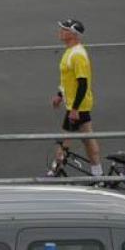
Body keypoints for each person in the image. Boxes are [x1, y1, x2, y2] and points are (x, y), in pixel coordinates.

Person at [54, 18, 102, 173]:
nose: (60, 31)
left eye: (64, 29)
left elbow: (83, 84)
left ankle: (56, 170)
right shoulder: (70, 51)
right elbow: (68, 79)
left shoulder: (78, 55)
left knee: (63, 141)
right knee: (88, 140)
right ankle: (99, 175)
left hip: (77, 106)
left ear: (73, 34)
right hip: (77, 105)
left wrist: (74, 109)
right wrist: (60, 95)